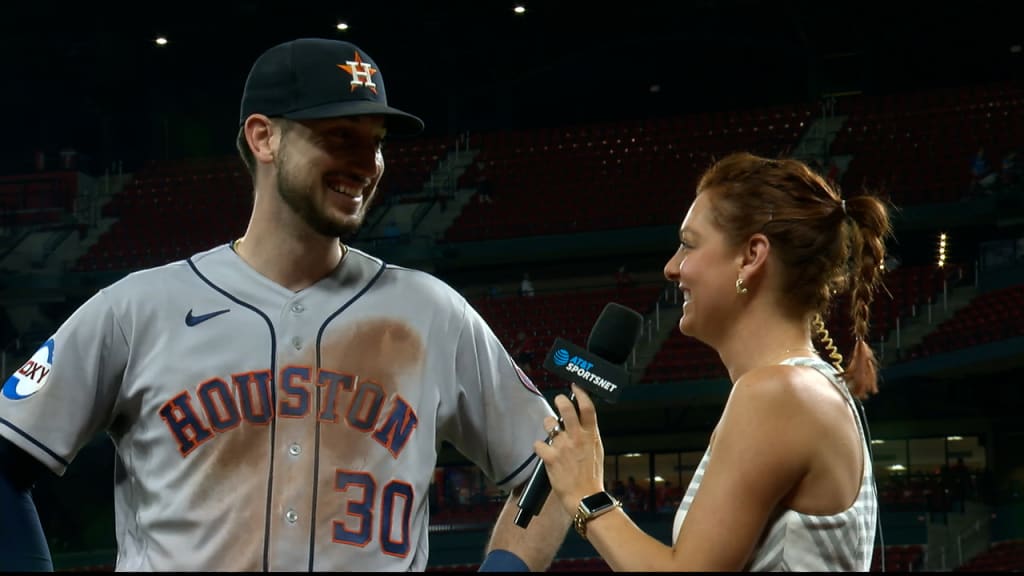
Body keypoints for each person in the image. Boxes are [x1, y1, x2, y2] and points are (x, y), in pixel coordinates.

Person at [0, 38, 570, 572]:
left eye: (376, 143)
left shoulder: (431, 312)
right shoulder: (138, 309)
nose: (368, 164)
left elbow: (559, 466)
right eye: (340, 137)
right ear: (263, 137)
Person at [535, 152, 890, 571]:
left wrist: (585, 494)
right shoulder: (802, 388)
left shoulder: (780, 394)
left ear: (751, 256)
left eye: (688, 243)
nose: (671, 267)